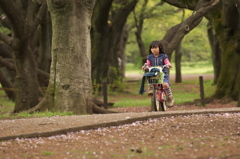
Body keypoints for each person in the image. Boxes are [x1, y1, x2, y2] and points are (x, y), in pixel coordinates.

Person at [142, 40, 174, 107]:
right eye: (152, 48)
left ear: (160, 48)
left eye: (155, 48)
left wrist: (168, 64)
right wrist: (145, 66)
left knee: (165, 84)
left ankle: (170, 97)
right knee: (149, 77)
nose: (154, 50)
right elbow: (148, 64)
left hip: (163, 74)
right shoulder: (149, 57)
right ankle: (151, 89)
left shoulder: (163, 56)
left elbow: (167, 62)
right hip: (154, 74)